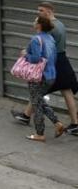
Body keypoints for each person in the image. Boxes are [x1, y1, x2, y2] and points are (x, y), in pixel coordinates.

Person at [12, 3, 78, 133]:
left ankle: (29, 117)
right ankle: (75, 124)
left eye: (41, 10)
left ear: (49, 11)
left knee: (40, 90)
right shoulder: (60, 24)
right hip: (62, 60)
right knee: (65, 91)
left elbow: (44, 48)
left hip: (54, 62)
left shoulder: (51, 28)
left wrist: (28, 53)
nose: (39, 13)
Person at [23, 14, 67, 142]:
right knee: (38, 101)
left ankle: (40, 134)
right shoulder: (50, 38)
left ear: (39, 25)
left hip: (38, 76)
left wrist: (26, 55)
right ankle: (58, 124)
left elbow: (36, 58)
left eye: (35, 20)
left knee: (37, 104)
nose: (33, 22)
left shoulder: (36, 39)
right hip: (50, 75)